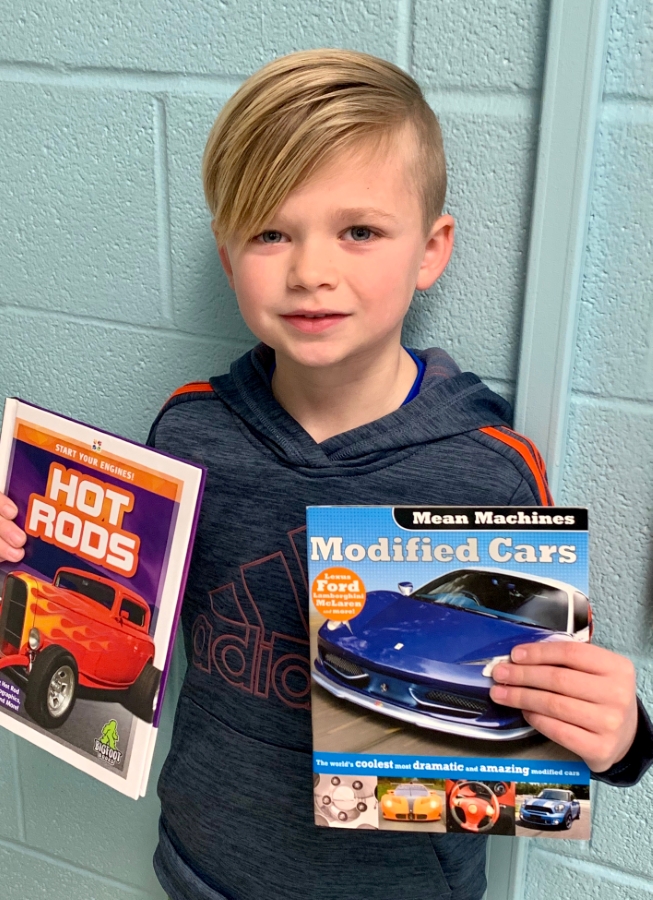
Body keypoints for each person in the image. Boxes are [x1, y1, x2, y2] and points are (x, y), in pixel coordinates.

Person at [1, 48, 651, 900]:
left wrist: (623, 738)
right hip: (205, 867)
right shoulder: (188, 430)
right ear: (228, 258)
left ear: (430, 249)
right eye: (271, 232)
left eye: (359, 231)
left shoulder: (487, 470)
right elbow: (130, 617)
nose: (311, 270)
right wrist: (23, 556)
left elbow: (540, 716)